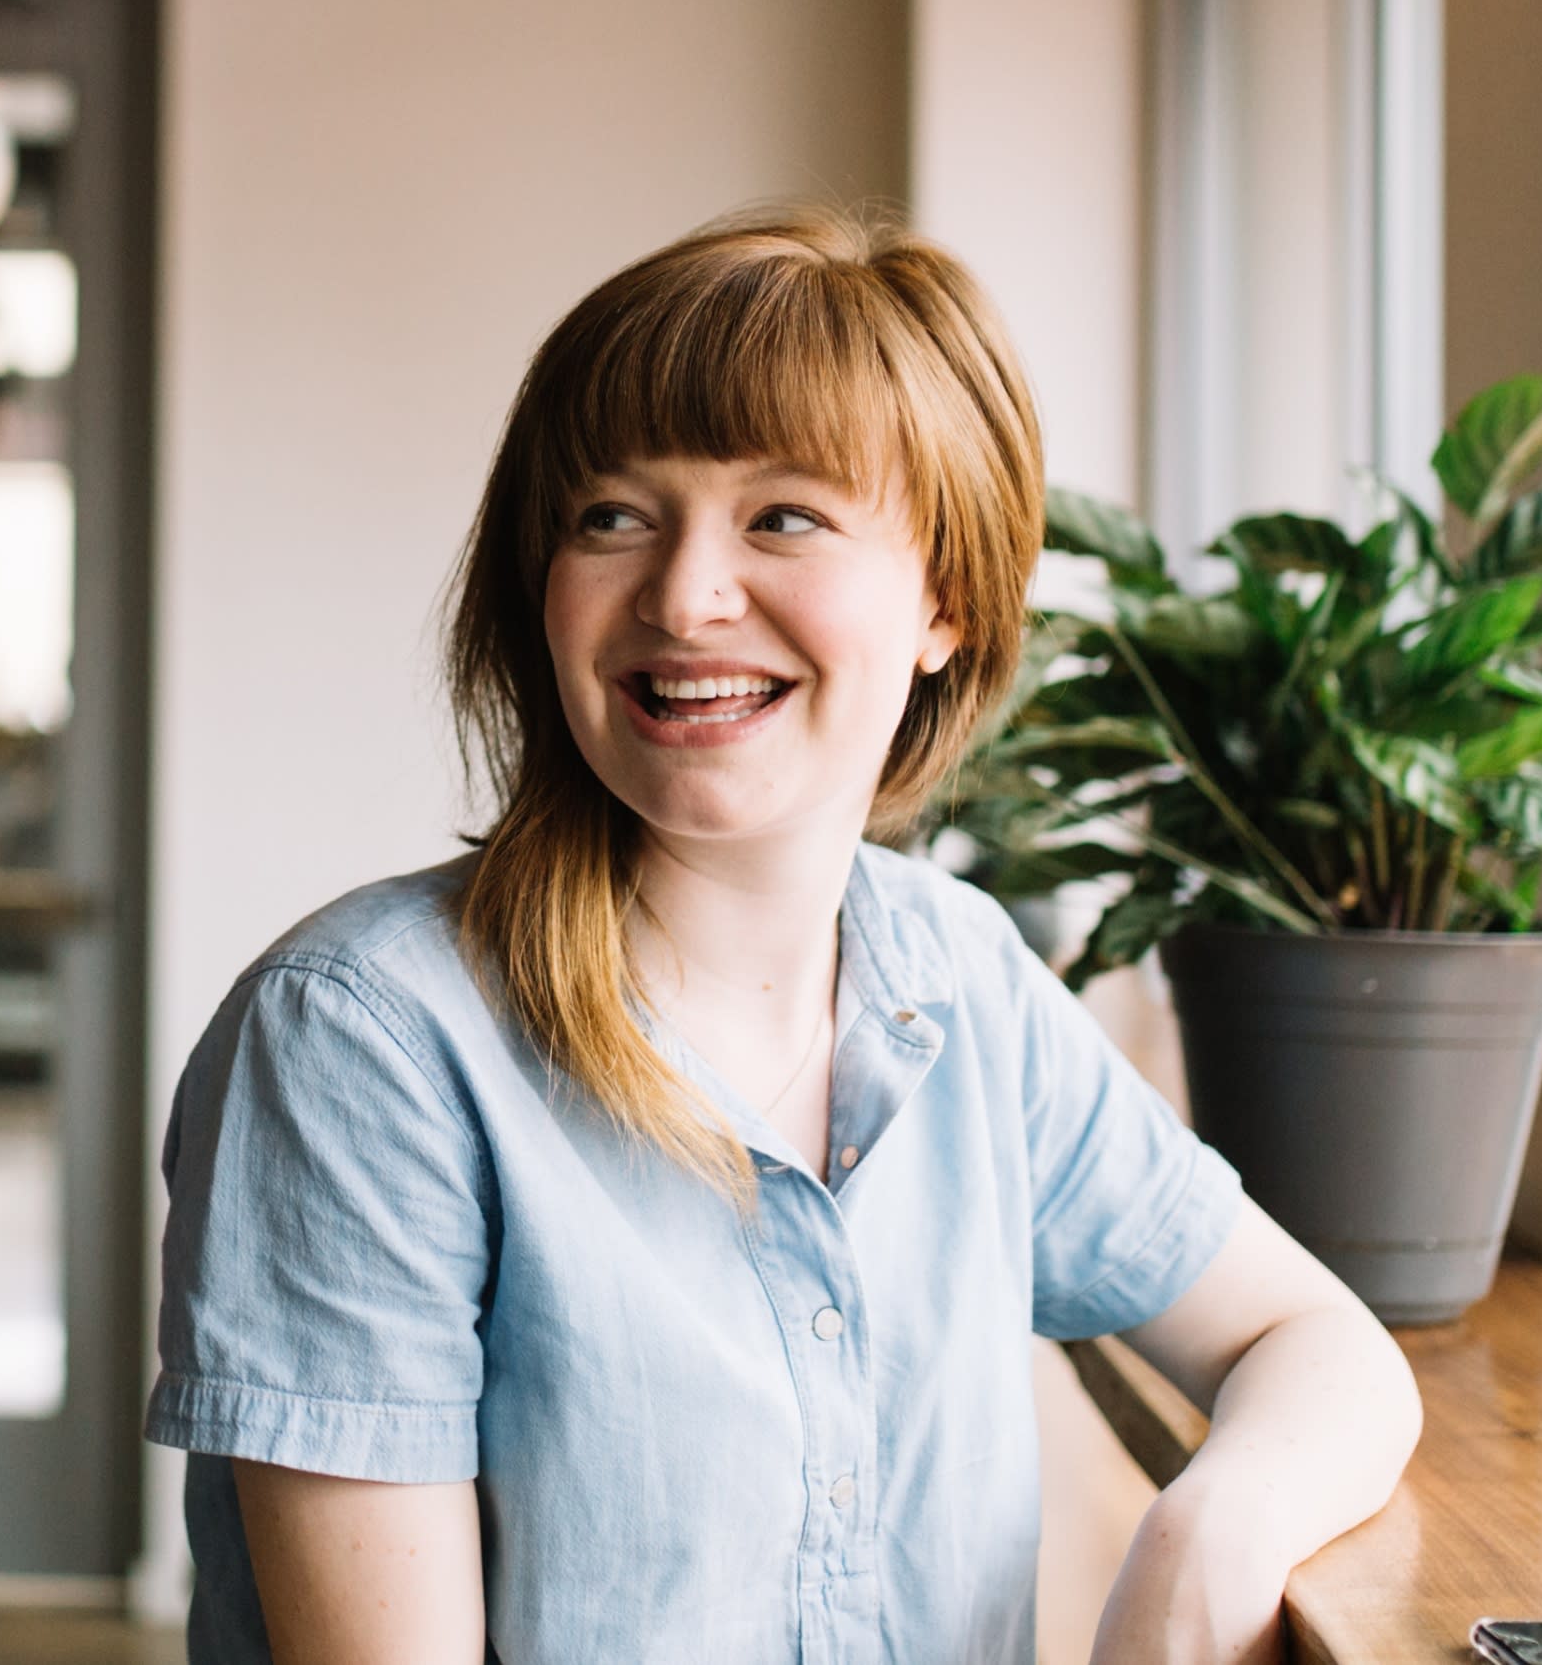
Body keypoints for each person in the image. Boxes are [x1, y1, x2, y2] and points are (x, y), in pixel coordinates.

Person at [143, 206, 1422, 1665]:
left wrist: (1204, 1541)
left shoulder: (961, 980)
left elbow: (1317, 1347)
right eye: (611, 515)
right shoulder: (361, 1040)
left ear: (947, 597)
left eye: (784, 516)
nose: (684, 596)